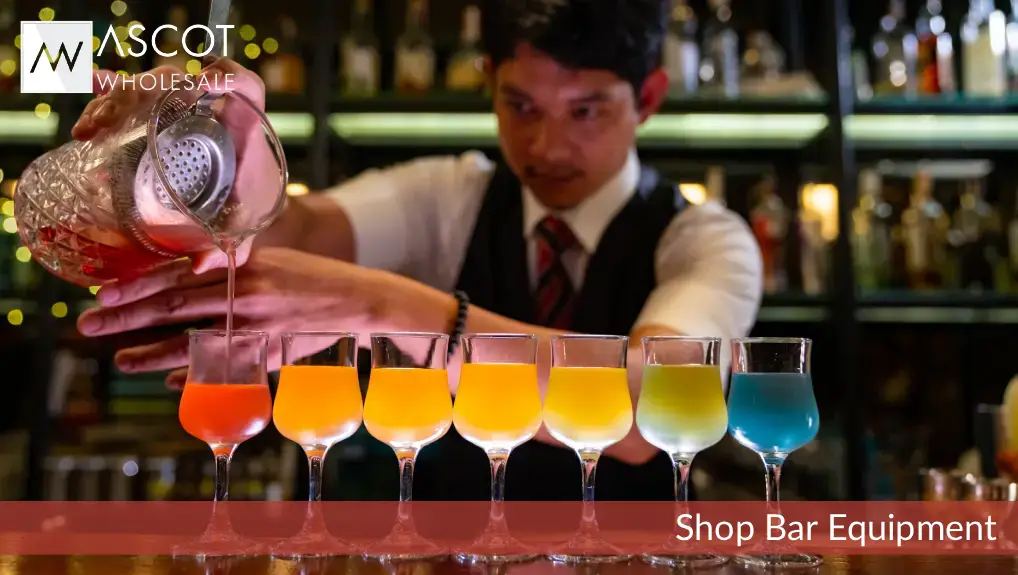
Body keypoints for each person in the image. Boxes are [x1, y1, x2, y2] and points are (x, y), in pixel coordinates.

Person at [72, 0, 763, 501]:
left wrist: (384, 306)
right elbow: (296, 231)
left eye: (586, 111)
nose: (548, 147)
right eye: (520, 106)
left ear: (648, 97)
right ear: (488, 78)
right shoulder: (449, 194)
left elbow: (651, 409)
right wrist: (230, 148)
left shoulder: (708, 239)